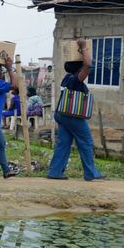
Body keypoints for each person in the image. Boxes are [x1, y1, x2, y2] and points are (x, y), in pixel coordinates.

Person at [47, 39, 104, 181]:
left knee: (64, 142)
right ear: (80, 69)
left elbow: (87, 65)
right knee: (86, 141)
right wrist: (84, 48)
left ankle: (55, 172)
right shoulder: (75, 79)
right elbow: (89, 65)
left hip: (62, 114)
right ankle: (91, 173)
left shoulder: (67, 78)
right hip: (71, 115)